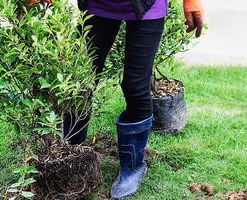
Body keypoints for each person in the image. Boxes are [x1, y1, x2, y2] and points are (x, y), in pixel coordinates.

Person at [29, 0, 204, 199]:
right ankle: (70, 153)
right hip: (98, 4)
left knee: (135, 86)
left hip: (147, 6)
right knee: (79, 80)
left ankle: (133, 166)